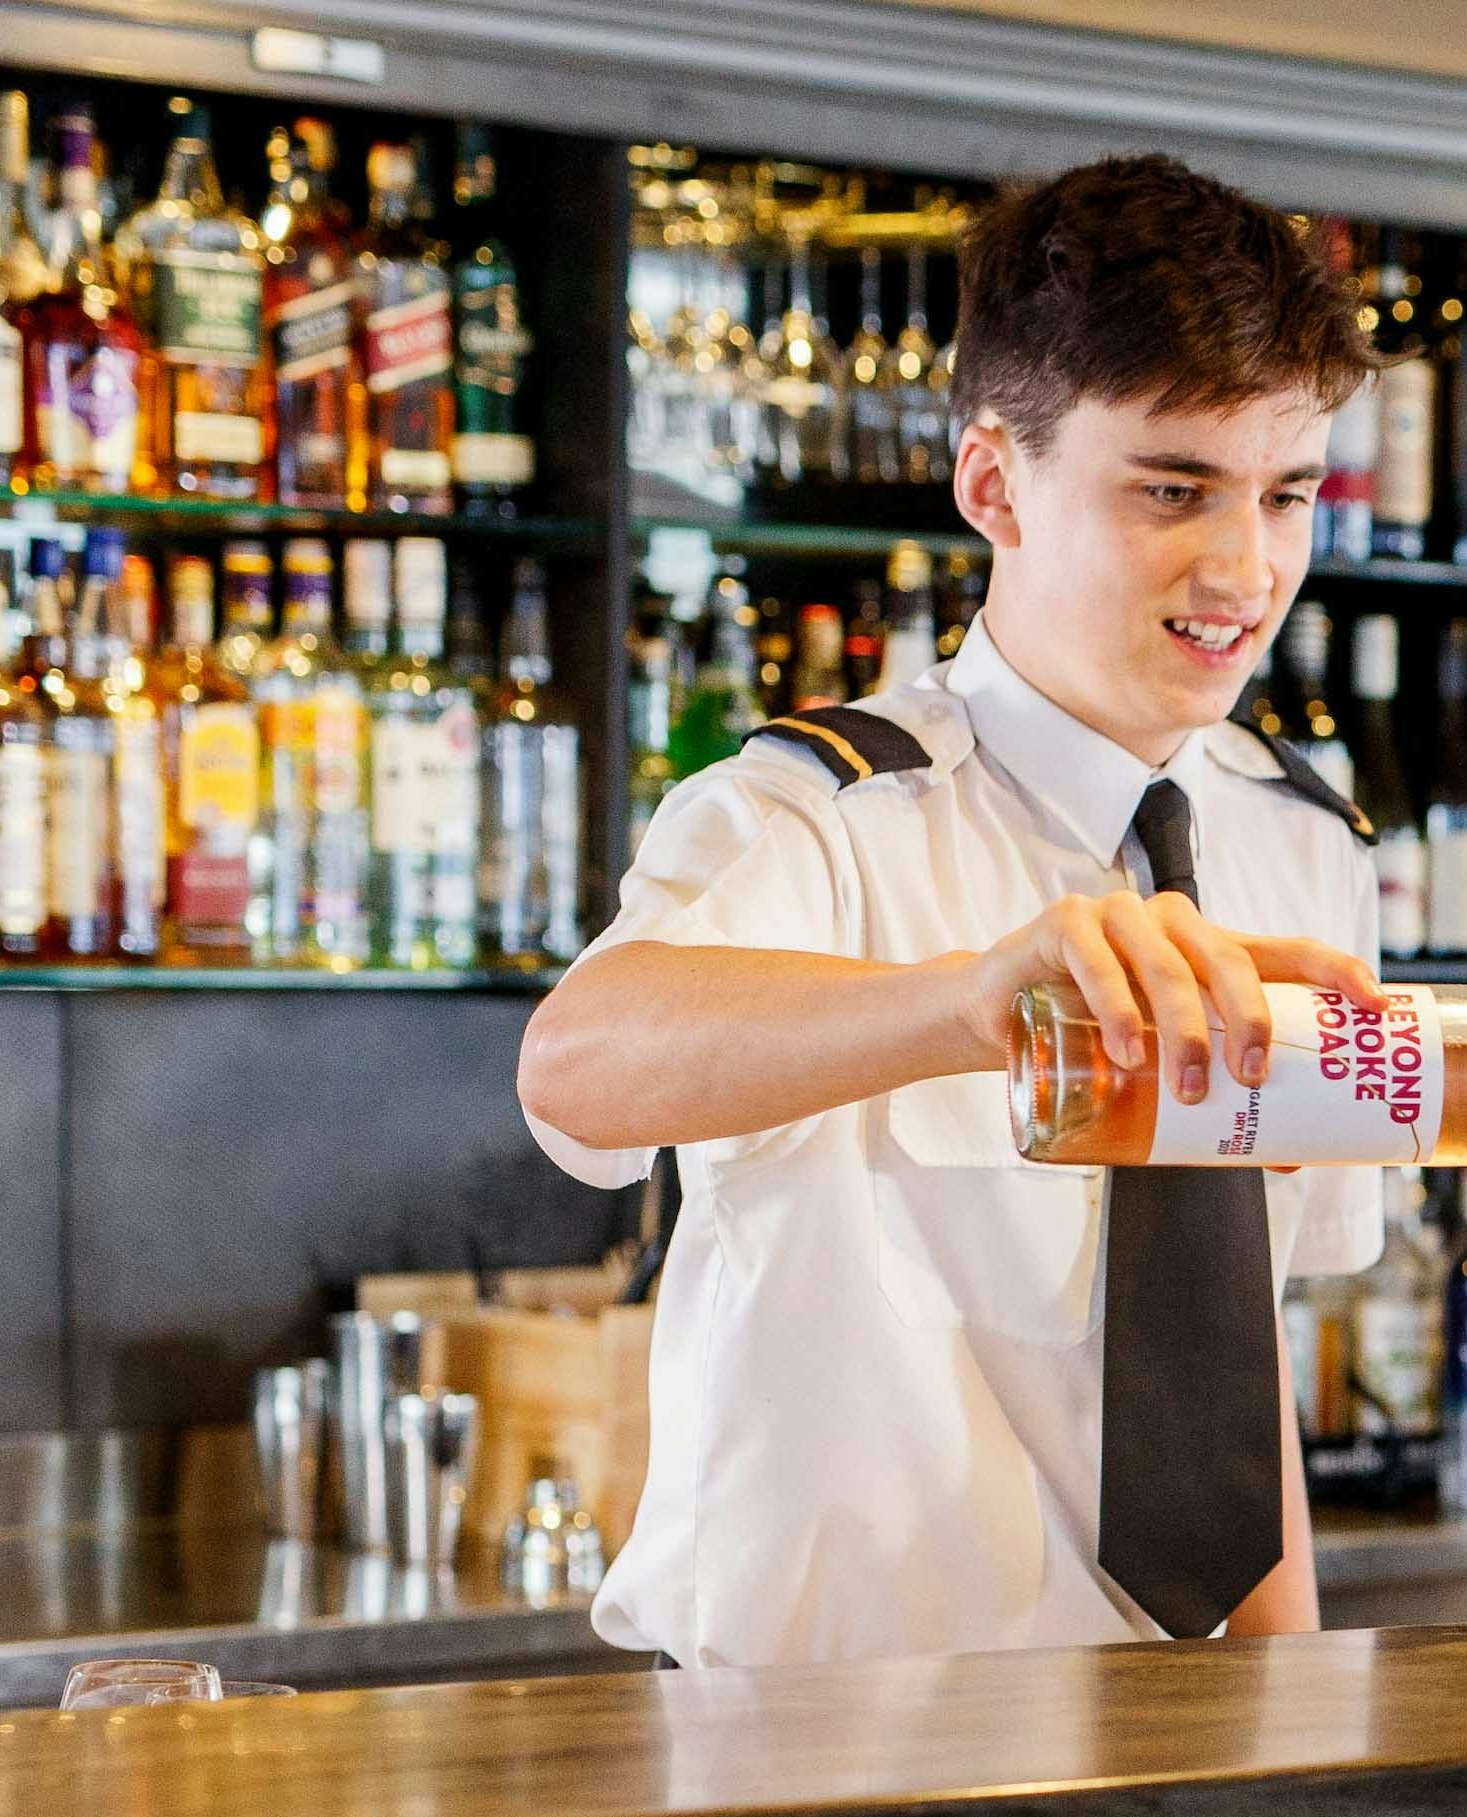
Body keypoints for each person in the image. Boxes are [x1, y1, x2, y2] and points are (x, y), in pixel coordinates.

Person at [517, 156, 1390, 1668]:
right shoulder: (819, 810)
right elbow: (577, 1070)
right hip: (824, 1763)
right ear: (994, 483)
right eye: (1172, 489)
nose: (1245, 567)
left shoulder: (1301, 844)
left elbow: (1233, 1363)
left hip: (1168, 1746)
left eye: (1287, 494)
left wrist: (1292, 1725)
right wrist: (967, 1003)